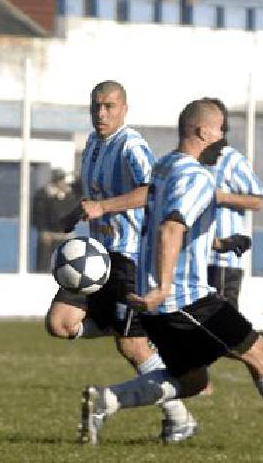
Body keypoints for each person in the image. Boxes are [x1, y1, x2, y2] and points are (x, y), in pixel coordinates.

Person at [79, 98, 263, 450]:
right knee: (262, 356)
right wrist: (163, 286)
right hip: (186, 298)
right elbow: (171, 229)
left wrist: (216, 244)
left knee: (190, 381)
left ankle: (106, 400)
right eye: (220, 131)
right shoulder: (197, 177)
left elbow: (168, 225)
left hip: (161, 304)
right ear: (204, 132)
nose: (224, 138)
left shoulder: (164, 167)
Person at [44, 80, 196, 444]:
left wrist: (105, 207)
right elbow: (93, 194)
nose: (101, 113)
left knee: (132, 346)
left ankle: (180, 419)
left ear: (124, 109)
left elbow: (151, 190)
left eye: (109, 106)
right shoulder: (93, 143)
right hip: (95, 256)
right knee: (60, 322)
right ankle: (121, 322)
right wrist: (74, 216)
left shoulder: (132, 145)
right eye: (96, 106)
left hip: (128, 256)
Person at [202, 97, 263, 355]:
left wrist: (220, 196)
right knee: (205, 324)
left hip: (224, 256)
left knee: (218, 326)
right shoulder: (193, 160)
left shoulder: (231, 160)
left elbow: (258, 199)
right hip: (196, 254)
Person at [31, 168, 79, 272]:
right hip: (49, 234)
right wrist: (43, 230)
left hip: (65, 234)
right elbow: (38, 214)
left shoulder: (69, 195)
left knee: (66, 263)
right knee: (44, 264)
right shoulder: (43, 195)